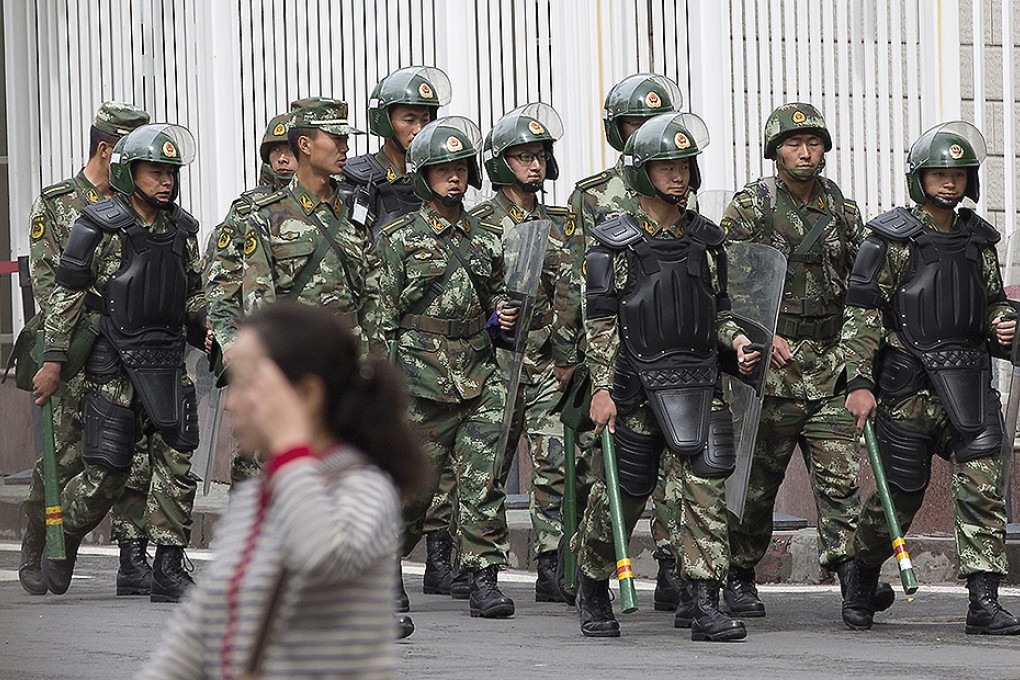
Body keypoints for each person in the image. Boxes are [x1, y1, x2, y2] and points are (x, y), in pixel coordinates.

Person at [138, 302, 429, 679]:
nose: (230, 403)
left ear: (306, 395)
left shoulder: (364, 487)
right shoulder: (260, 493)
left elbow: (320, 556)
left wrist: (292, 446)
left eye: (247, 384)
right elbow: (201, 628)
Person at [573, 111, 760, 640]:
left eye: (684, 164)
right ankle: (591, 582)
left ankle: (706, 602)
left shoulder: (707, 239)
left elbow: (719, 310)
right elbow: (602, 325)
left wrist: (738, 341)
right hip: (634, 385)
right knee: (622, 495)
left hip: (699, 381)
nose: (678, 175)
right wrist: (604, 389)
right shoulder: (613, 243)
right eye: (665, 166)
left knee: (706, 488)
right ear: (640, 172)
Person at [840, 121, 1020, 635]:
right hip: (909, 386)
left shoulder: (978, 240)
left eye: (959, 174)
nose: (949, 183)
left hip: (967, 381)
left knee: (984, 489)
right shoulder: (890, 240)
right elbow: (862, 315)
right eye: (939, 173)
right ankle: (861, 571)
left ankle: (984, 601)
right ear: (919, 178)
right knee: (900, 493)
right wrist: (859, 382)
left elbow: (989, 303)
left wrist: (1000, 322)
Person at [720, 103, 893, 616]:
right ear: (775, 151)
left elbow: (864, 287)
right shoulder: (751, 206)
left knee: (839, 482)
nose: (804, 151)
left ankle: (851, 579)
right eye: (793, 143)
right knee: (756, 485)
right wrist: (757, 334)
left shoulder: (843, 210)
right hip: (772, 368)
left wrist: (859, 360)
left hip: (830, 365)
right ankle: (740, 574)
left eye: (813, 143)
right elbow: (727, 281)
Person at [34, 123, 206, 603]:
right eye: (155, 172)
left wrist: (212, 331)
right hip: (113, 363)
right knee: (107, 473)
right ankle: (62, 532)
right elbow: (65, 299)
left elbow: (193, 295)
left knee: (176, 460)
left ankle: (169, 566)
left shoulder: (184, 230)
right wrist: (52, 360)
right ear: (130, 174)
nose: (166, 181)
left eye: (171, 172)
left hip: (169, 360)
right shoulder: (96, 224)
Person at [375, 115, 519, 618]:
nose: (454, 177)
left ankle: (482, 577)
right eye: (443, 169)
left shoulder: (487, 235)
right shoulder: (396, 238)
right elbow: (381, 318)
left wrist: (505, 315)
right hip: (418, 379)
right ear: (423, 176)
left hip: (479, 373)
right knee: (414, 490)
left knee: (483, 481)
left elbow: (502, 296)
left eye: (461, 167)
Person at [18, 102, 155, 598]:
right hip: (74, 344)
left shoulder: (137, 204)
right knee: (67, 449)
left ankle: (115, 552)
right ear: (106, 149)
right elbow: (50, 283)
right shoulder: (57, 204)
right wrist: (60, 350)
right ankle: (41, 537)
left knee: (123, 449)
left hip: (126, 346)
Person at [561, 73, 687, 610]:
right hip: (616, 354)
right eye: (636, 124)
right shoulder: (593, 196)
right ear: (618, 131)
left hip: (675, 354)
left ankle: (675, 568)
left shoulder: (682, 194)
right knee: (621, 473)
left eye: (656, 125)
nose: (646, 134)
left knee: (679, 470)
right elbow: (577, 285)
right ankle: (596, 573)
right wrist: (577, 361)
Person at [466, 102, 575, 602]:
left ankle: (553, 564)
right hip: (496, 362)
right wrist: (491, 320)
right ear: (498, 164)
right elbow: (463, 294)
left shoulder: (560, 223)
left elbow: (573, 292)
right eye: (522, 157)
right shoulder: (478, 224)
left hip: (548, 361)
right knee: (487, 467)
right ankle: (482, 568)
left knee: (555, 464)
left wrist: (568, 353)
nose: (534, 166)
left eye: (539, 156)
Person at [240, 97, 384, 357]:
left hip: (351, 362)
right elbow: (259, 305)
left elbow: (372, 299)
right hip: (298, 360)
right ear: (305, 145)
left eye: (346, 140)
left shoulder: (355, 214)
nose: (345, 148)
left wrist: (376, 364)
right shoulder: (268, 218)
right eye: (336, 139)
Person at [203, 110, 297, 485]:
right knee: (255, 447)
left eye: (290, 150)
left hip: (304, 341)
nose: (284, 159)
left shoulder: (329, 204)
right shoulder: (247, 210)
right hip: (257, 339)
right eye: (276, 151)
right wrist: (222, 330)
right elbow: (218, 272)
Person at [343, 65, 452, 240]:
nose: (419, 129)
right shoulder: (358, 181)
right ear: (385, 122)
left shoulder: (441, 178)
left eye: (426, 120)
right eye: (409, 120)